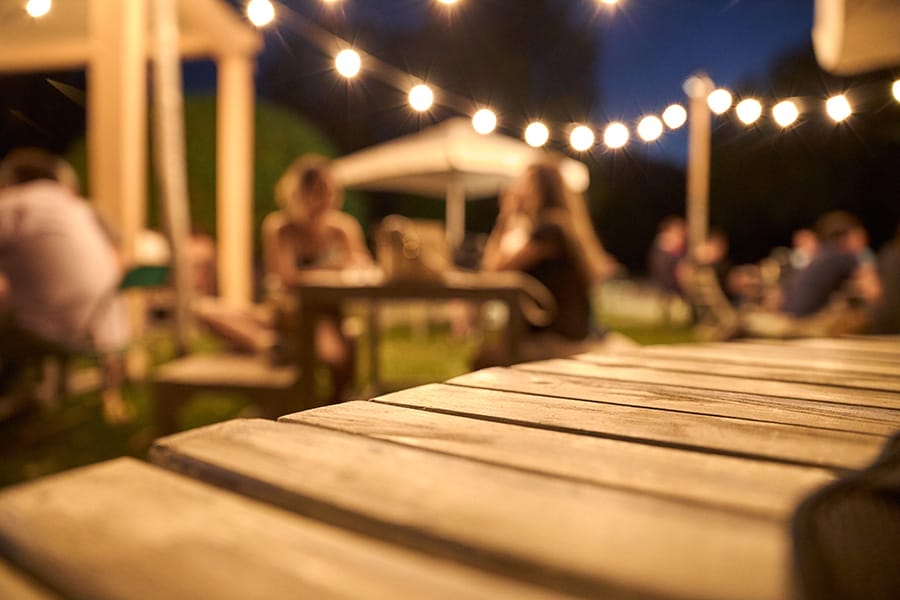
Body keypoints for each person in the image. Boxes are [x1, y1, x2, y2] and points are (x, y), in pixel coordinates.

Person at [0, 148, 129, 419]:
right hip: (106, 331)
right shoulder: (81, 208)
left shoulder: (14, 204)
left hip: (58, 329)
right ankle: (27, 399)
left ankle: (14, 404)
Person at [477, 160, 623, 366]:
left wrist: (506, 214)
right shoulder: (562, 226)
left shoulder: (549, 230)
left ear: (537, 189)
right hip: (574, 334)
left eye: (523, 184)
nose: (517, 190)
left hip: (557, 340)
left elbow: (494, 270)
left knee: (483, 360)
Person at [261, 154, 372, 402]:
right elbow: (286, 278)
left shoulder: (343, 228)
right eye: (317, 191)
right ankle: (324, 399)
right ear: (297, 193)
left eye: (330, 191)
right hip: (293, 310)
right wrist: (336, 266)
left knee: (342, 342)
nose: (326, 199)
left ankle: (336, 398)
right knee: (335, 348)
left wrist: (325, 270)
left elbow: (361, 265)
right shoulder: (280, 227)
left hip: (333, 309)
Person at [780, 211, 882, 319]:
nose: (864, 243)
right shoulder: (844, 255)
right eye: (860, 236)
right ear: (847, 237)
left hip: (788, 313)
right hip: (803, 321)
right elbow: (875, 293)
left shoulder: (823, 253)